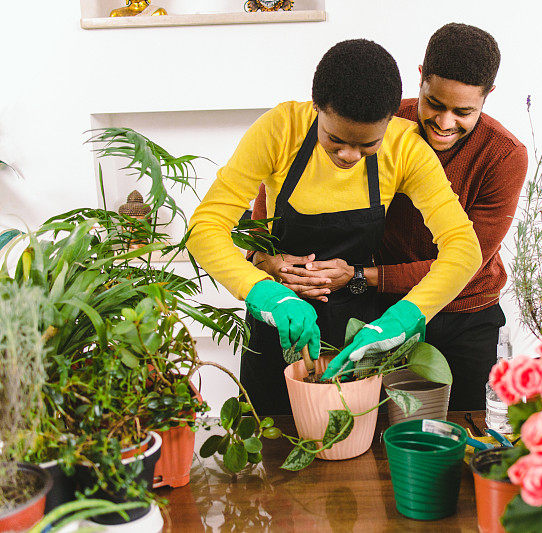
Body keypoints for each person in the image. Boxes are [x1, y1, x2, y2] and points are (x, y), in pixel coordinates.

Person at [186, 39, 481, 415]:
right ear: (316, 107)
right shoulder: (281, 129)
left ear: (390, 120)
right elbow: (205, 227)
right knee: (267, 440)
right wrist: (263, 293)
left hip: (357, 329)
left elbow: (463, 247)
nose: (349, 155)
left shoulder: (406, 148)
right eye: (335, 140)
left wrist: (408, 315)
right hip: (277, 322)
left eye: (367, 144)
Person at [252, 24, 528, 410]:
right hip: (380, 307)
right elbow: (290, 173)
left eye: (463, 111)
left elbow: (472, 258)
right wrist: (264, 254)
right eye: (434, 103)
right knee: (378, 422)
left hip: (464, 311)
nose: (445, 123)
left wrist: (363, 276)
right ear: (421, 78)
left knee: (467, 422)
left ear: (488, 97)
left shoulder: (503, 155)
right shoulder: (378, 122)